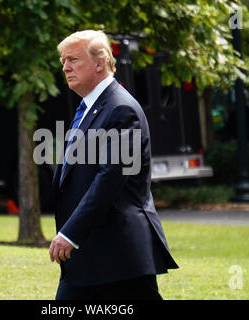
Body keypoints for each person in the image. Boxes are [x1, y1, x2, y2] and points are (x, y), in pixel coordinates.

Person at [49, 30, 178, 300]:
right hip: (92, 255)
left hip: (118, 255)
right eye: (63, 61)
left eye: (73, 59)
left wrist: (70, 233)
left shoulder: (121, 110)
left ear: (100, 62)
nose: (65, 67)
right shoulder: (89, 107)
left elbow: (110, 180)